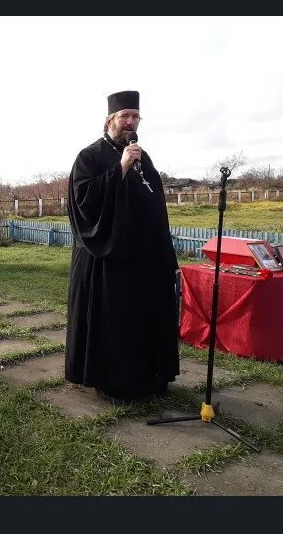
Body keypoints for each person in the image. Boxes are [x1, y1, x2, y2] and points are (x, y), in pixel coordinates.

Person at [65, 90, 179, 402]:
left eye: (135, 116)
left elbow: (153, 200)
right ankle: (113, 382)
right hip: (108, 258)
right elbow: (83, 203)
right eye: (124, 116)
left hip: (142, 256)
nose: (130, 122)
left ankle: (150, 374)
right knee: (116, 322)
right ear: (109, 121)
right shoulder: (89, 157)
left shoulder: (143, 156)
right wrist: (121, 168)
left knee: (144, 316)